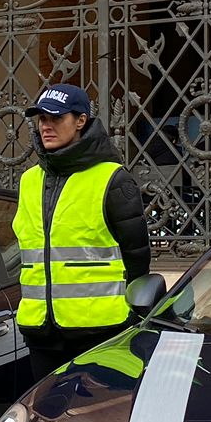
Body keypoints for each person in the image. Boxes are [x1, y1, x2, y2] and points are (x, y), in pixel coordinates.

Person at [13, 84, 152, 382]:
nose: (46, 126)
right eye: (41, 119)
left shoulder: (112, 179)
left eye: (56, 118)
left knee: (99, 420)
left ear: (80, 121)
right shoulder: (28, 181)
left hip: (101, 333)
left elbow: (137, 256)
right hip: (41, 333)